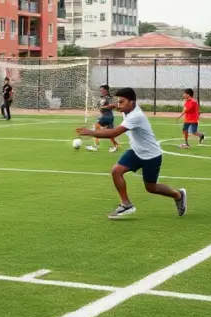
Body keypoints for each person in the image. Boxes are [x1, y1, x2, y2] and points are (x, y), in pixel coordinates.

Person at [76, 87, 187, 219]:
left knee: (151, 188)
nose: (119, 105)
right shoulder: (128, 108)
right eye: (118, 102)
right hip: (136, 151)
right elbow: (118, 106)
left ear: (132, 102)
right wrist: (109, 107)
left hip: (150, 155)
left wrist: (91, 132)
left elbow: (114, 133)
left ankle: (178, 195)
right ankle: (126, 204)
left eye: (122, 102)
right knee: (116, 171)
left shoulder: (136, 116)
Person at [86, 84, 120, 153]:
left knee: (95, 129)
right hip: (108, 117)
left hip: (107, 117)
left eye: (102, 89)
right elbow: (102, 106)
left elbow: (113, 105)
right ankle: (115, 146)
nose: (101, 91)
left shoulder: (108, 98)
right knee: (110, 134)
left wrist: (103, 107)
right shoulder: (102, 97)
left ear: (106, 90)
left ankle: (95, 147)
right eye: (100, 90)